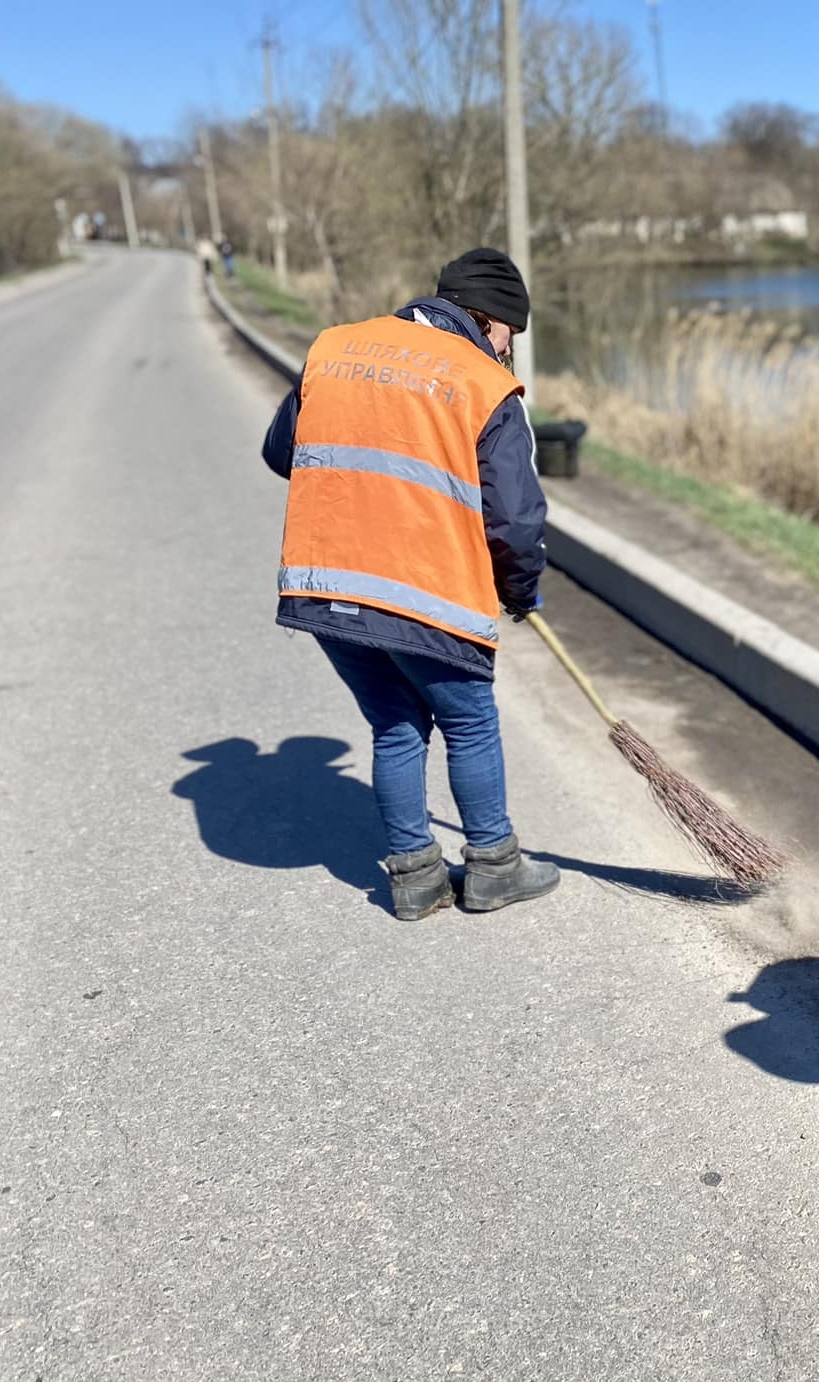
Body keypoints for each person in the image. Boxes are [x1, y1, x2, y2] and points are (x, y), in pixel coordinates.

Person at [261, 247, 557, 920]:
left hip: (323, 584)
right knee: (470, 722)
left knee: (396, 724)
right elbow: (514, 517)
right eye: (512, 334)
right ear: (490, 321)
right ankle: (493, 867)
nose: (510, 348)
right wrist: (520, 586)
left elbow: (283, 451)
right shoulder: (482, 381)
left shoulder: (334, 348)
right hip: (424, 591)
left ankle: (415, 881)